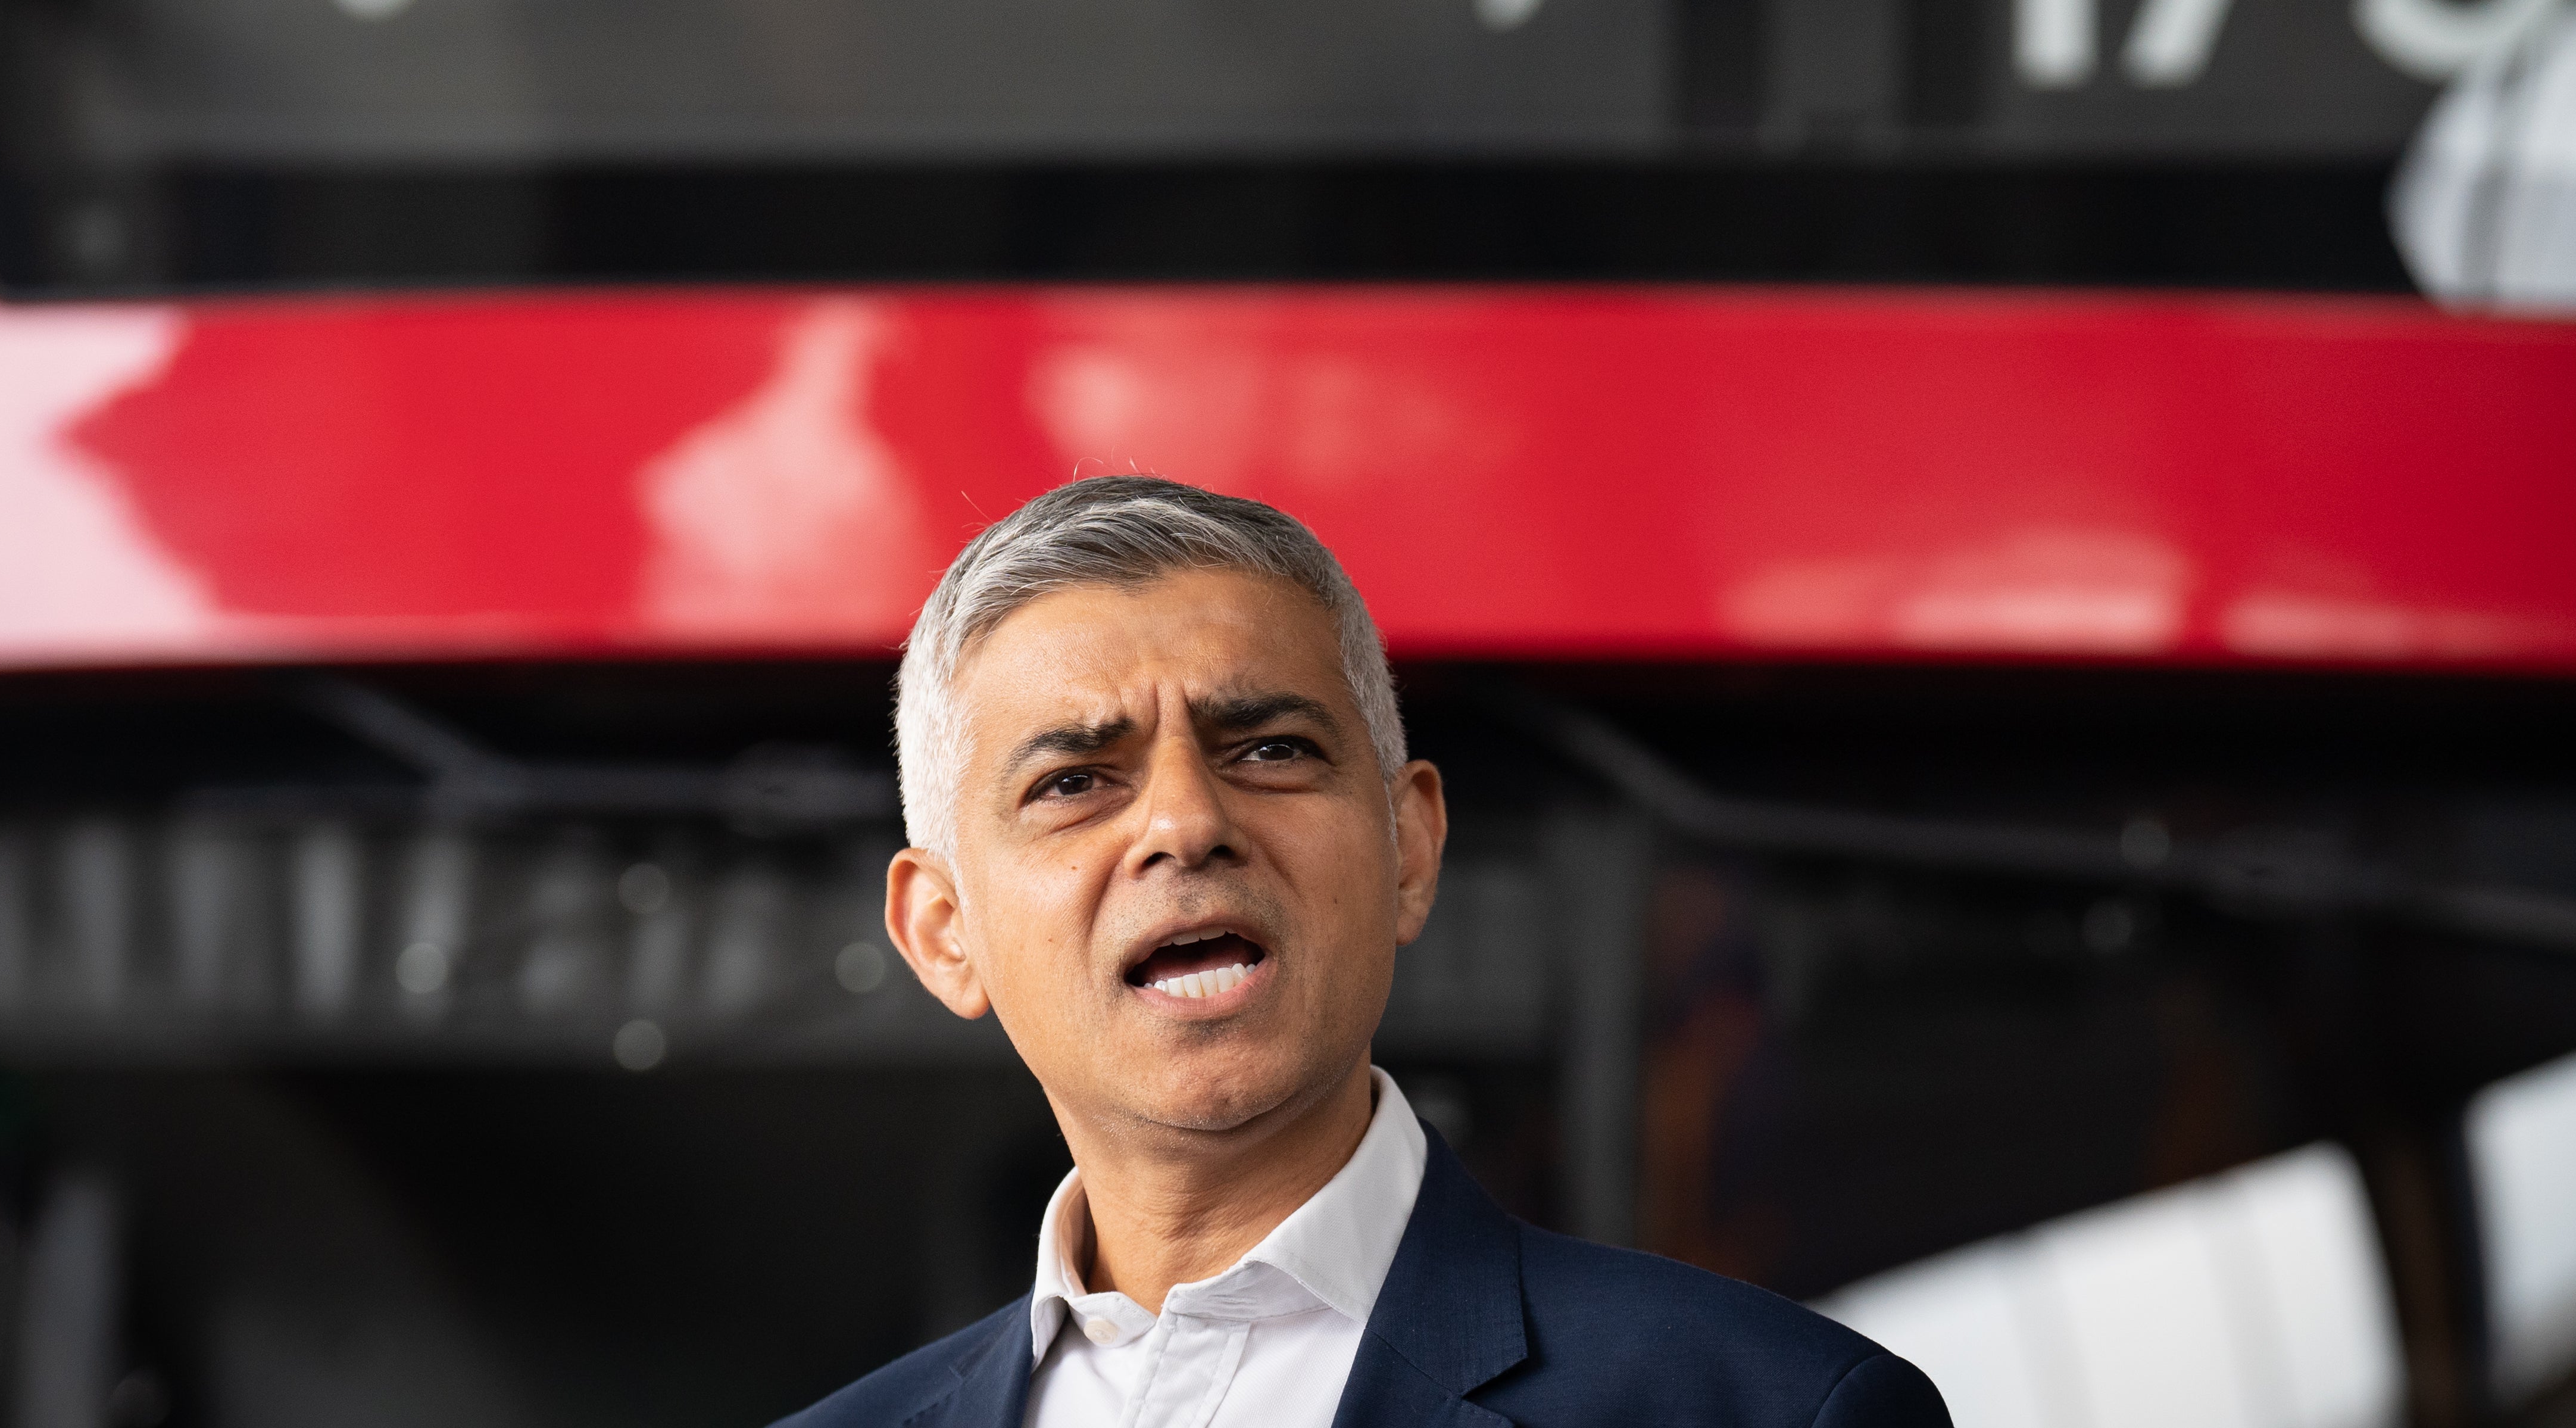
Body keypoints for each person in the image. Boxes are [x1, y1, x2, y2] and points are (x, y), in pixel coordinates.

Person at [775, 476, 1950, 1428]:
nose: (1186, 822)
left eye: (1271, 751)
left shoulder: (1770, 1409)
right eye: (1074, 781)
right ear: (942, 929)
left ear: (1408, 848)